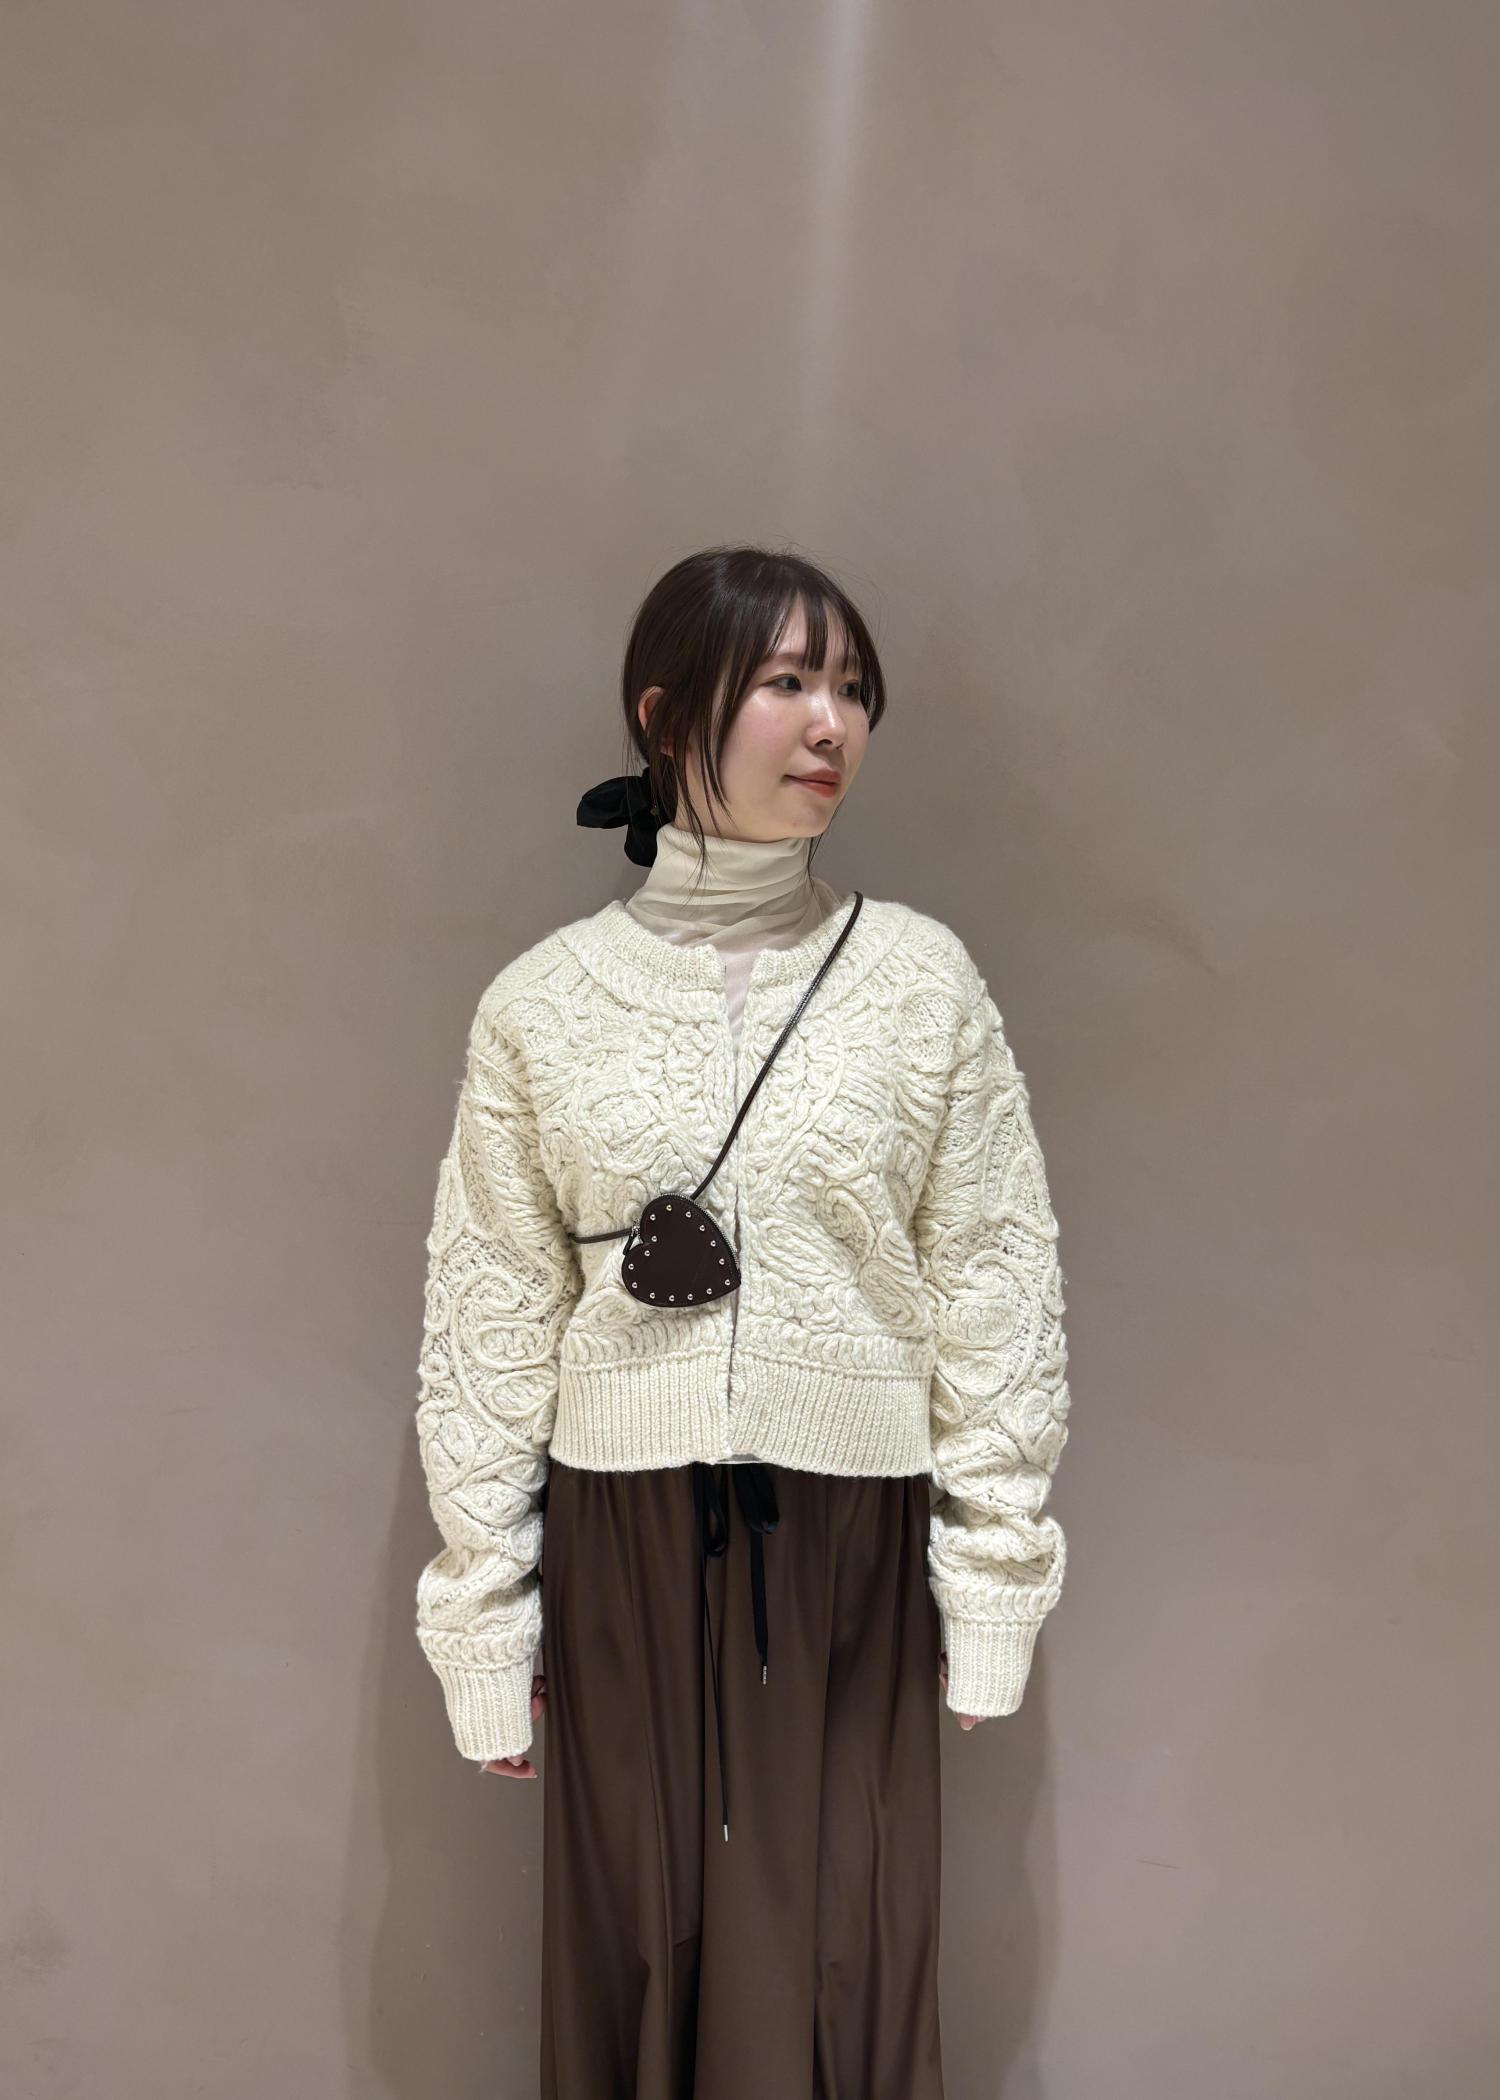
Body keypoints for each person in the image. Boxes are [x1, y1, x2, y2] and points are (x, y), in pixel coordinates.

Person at [412, 544, 1072, 2098]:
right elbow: (488, 1317)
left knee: (843, 1946)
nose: (830, 723)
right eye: (786, 682)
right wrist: (486, 1625)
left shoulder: (921, 982)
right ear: (665, 716)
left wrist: (991, 1584)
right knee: (639, 1938)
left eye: (851, 688)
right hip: (622, 1540)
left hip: (850, 1545)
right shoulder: (541, 1005)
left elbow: (997, 1279)